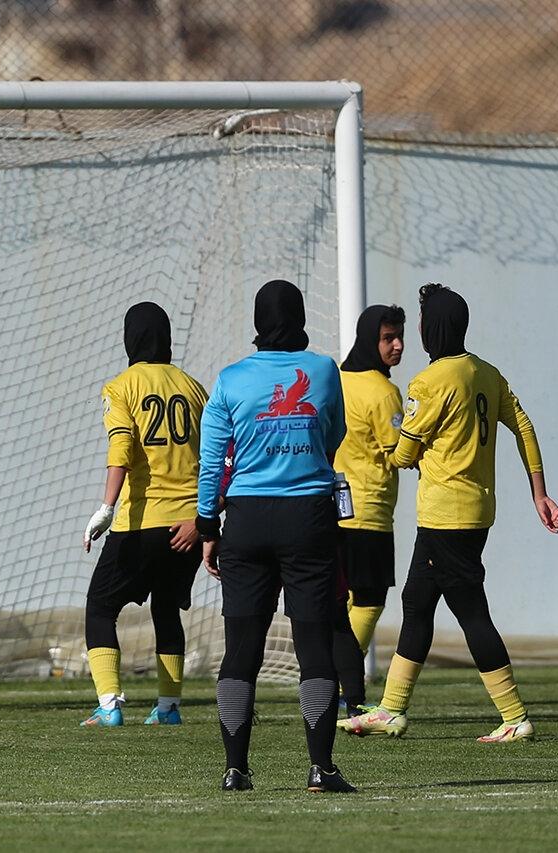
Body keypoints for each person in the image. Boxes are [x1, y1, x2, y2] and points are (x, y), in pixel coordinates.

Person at [342, 283, 558, 743]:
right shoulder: (486, 372)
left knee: (470, 612)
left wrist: (412, 444)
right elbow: (523, 425)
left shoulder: (430, 381)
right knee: (416, 604)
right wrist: (539, 492)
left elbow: (403, 455)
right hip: (477, 511)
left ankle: (514, 715)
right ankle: (392, 708)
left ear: (432, 329)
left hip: (446, 514)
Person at [195, 279, 355, 793]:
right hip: (308, 518)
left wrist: (206, 526)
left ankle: (235, 769)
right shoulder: (324, 370)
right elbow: (333, 436)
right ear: (301, 315)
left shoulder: (230, 379)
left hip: (245, 520)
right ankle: (320, 768)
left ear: (259, 322)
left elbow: (212, 460)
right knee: (313, 644)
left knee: (242, 647)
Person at [79, 303, 207, 727]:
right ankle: (168, 708)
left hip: (141, 521)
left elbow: (121, 449)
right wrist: (209, 521)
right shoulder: (194, 388)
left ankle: (110, 705)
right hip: (188, 525)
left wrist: (105, 507)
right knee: (167, 609)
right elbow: (216, 455)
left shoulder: (121, 387)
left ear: (129, 339)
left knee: (99, 606)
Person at [332, 304, 406, 717]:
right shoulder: (383, 391)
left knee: (342, 597)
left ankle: (334, 675)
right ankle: (339, 675)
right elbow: (398, 454)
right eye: (387, 338)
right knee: (370, 598)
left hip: (333, 506)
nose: (397, 346)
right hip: (370, 508)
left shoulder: (337, 381)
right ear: (368, 340)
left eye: (399, 337)